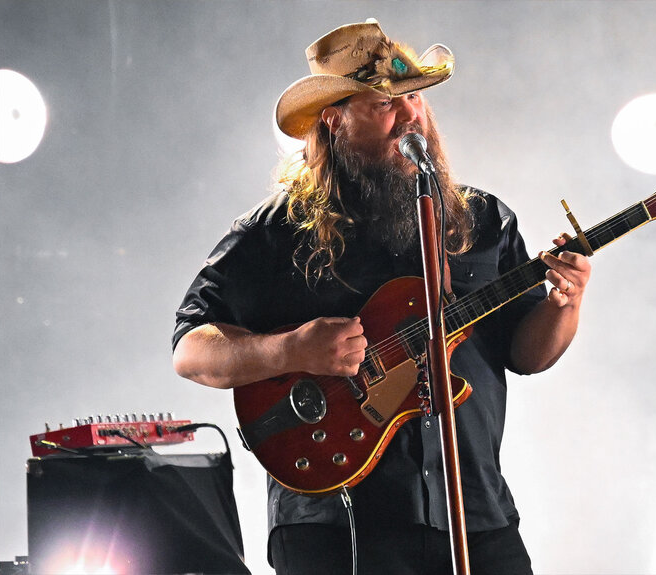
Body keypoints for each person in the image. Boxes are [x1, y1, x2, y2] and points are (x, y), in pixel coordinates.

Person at [172, 19, 591, 575]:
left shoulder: (485, 220)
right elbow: (191, 349)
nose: (410, 115)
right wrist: (291, 350)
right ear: (334, 119)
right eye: (383, 104)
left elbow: (526, 354)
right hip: (334, 523)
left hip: (472, 512)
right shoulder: (274, 230)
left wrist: (566, 303)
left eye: (414, 96)